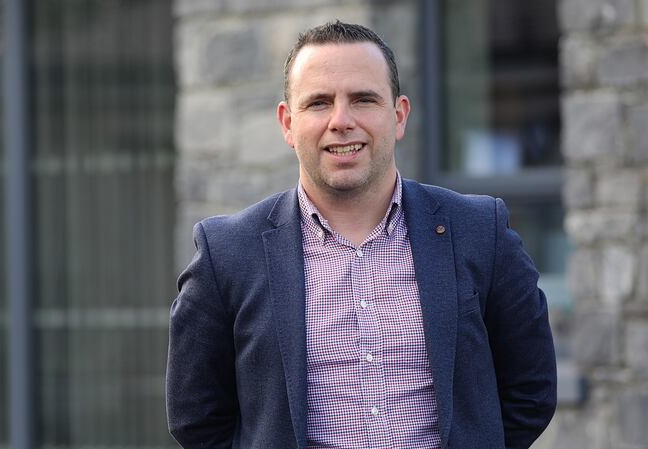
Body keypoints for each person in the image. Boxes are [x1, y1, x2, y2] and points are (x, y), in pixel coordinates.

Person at [166, 20, 556, 449]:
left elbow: (531, 390)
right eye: (319, 103)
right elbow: (196, 417)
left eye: (363, 99)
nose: (341, 121)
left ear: (399, 115)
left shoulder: (480, 231)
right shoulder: (227, 254)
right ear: (288, 123)